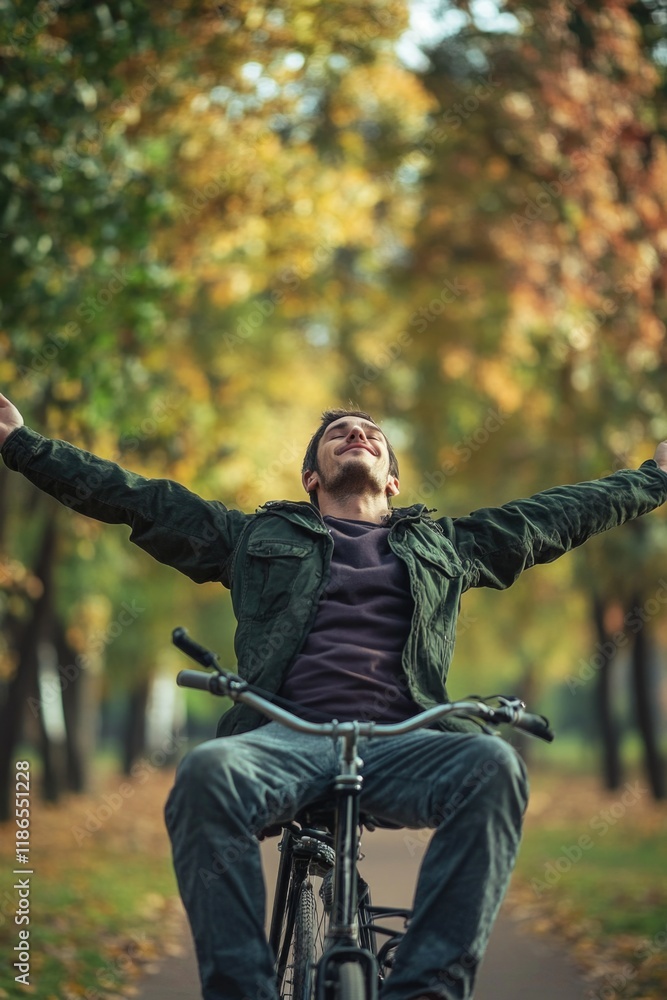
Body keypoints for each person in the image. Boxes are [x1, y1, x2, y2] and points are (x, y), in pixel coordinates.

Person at [2, 391, 667, 1000]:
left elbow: (557, 515)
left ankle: (427, 985)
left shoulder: (445, 544)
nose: (357, 433)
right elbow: (135, 498)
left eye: (372, 432)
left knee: (495, 765)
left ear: (394, 478)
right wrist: (23, 444)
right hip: (282, 739)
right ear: (310, 478)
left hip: (405, 742)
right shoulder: (255, 536)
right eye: (338, 433)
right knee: (207, 771)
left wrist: (653, 480)